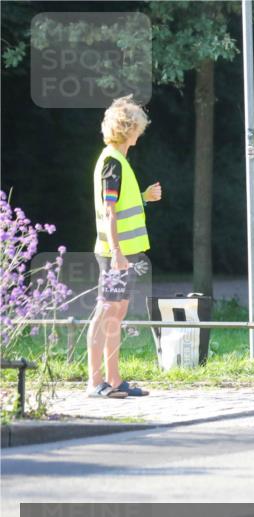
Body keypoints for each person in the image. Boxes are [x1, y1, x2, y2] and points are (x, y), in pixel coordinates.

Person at [86, 96, 161, 398]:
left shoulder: (118, 160)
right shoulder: (112, 163)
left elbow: (122, 204)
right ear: (129, 129)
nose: (140, 132)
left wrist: (144, 197)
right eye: (138, 127)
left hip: (124, 254)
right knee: (106, 312)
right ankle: (95, 383)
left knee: (116, 312)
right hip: (115, 254)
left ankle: (114, 381)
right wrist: (116, 253)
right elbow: (109, 210)